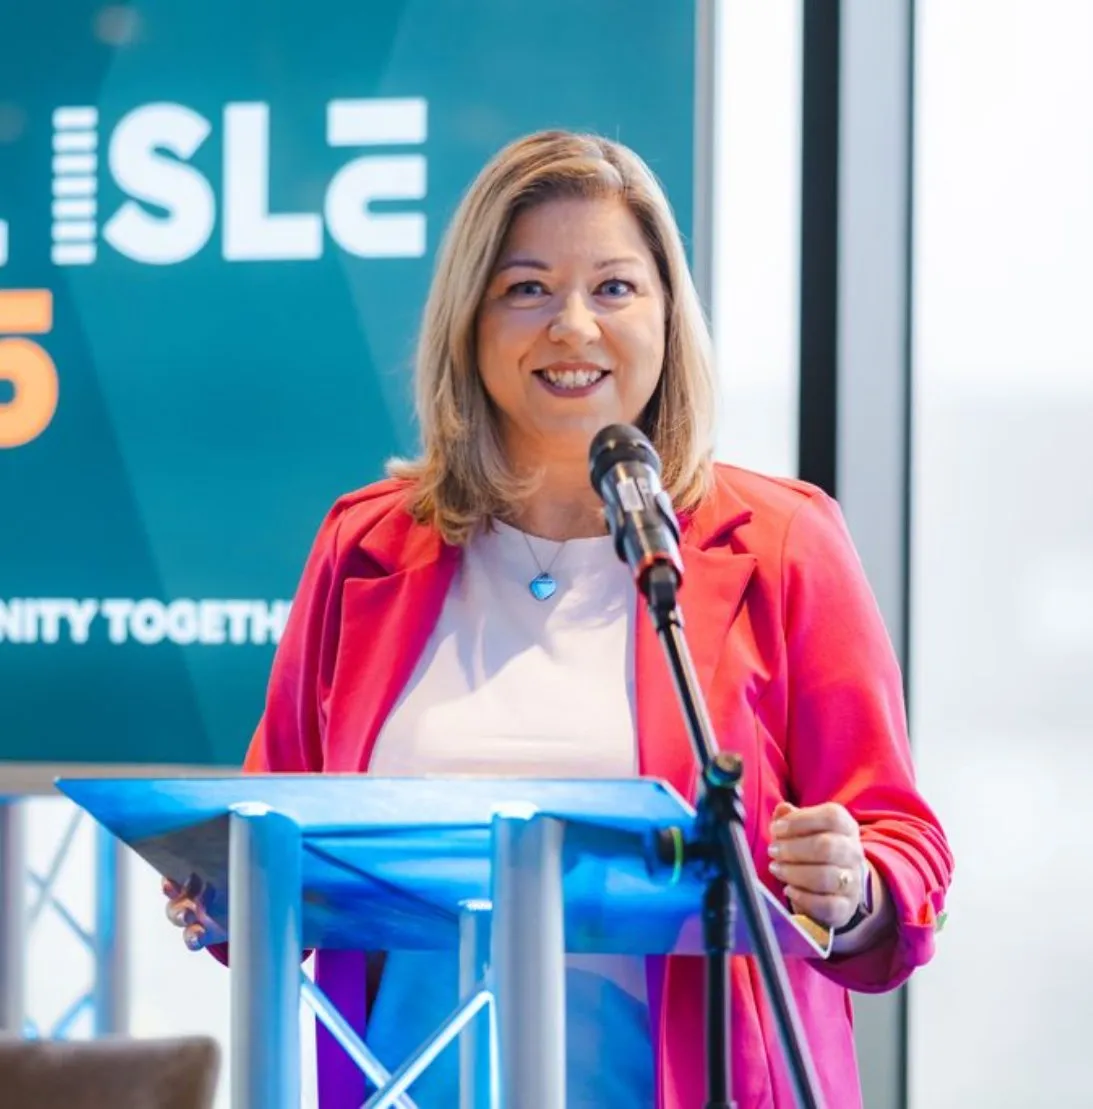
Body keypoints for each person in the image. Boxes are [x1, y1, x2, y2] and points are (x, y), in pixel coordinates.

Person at [164, 129, 953, 1109]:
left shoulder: (785, 539)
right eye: (527, 287)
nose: (573, 325)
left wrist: (854, 878)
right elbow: (263, 836)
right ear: (470, 321)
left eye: (615, 287)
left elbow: (899, 842)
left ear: (669, 316)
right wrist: (212, 885)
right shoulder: (363, 545)